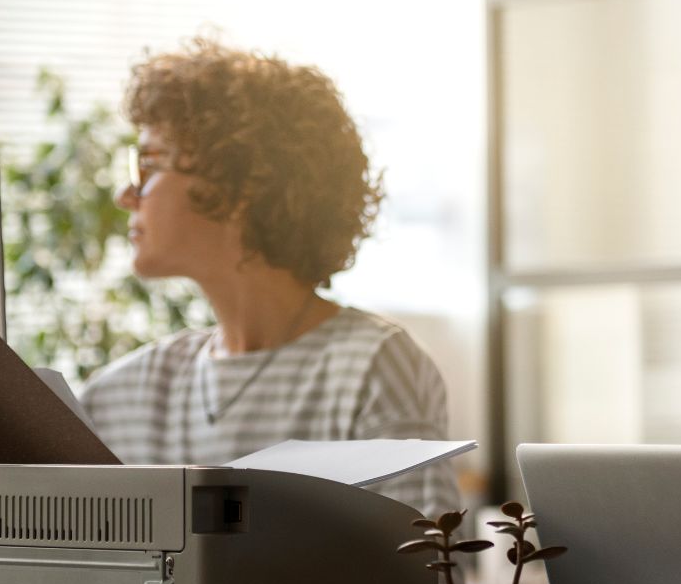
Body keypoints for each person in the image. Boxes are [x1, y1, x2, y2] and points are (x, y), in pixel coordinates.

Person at [81, 37, 459, 520]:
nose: (126, 193)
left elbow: (431, 573)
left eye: (150, 165)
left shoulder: (369, 368)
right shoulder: (121, 395)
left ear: (240, 187)